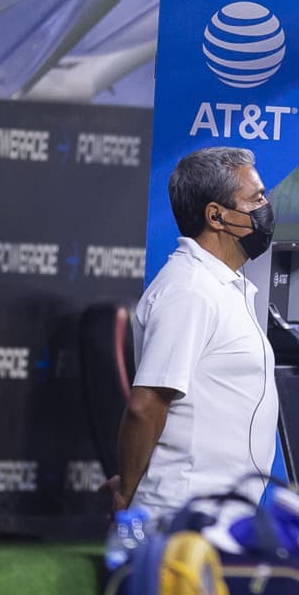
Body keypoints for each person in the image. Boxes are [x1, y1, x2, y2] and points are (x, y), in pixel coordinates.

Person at [105, 146, 279, 517]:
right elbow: (145, 405)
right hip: (180, 516)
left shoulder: (218, 286)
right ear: (216, 216)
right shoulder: (189, 290)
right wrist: (127, 497)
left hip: (218, 515)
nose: (266, 206)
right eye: (256, 198)